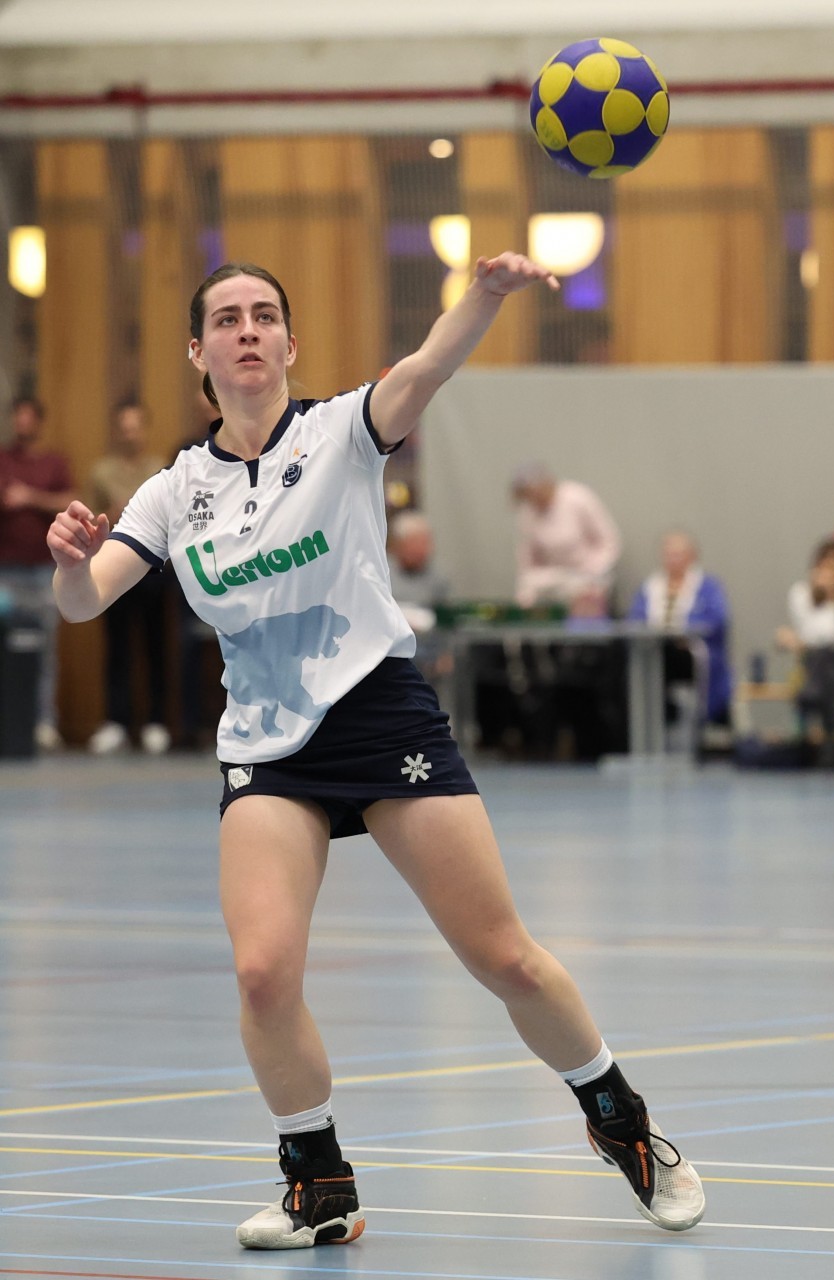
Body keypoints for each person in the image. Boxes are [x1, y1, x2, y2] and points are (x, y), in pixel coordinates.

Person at [48, 255, 704, 1251]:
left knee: (504, 956)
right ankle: (320, 1186)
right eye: (226, 318)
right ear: (198, 352)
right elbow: (86, 598)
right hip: (267, 746)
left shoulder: (341, 430)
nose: (248, 330)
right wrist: (66, 565)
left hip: (380, 715)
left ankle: (622, 1121)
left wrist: (484, 294)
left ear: (290, 343)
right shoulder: (173, 492)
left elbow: (427, 365)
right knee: (262, 973)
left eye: (265, 314)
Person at [87, 400, 171, 754]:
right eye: (124, 427)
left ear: (144, 430)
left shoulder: (159, 469)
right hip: (113, 567)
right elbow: (89, 518)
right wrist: (113, 511)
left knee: (156, 646)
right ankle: (116, 722)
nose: (130, 434)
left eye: (136, 427)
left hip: (154, 570)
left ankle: (156, 722)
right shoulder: (102, 471)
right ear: (117, 431)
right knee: (117, 648)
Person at [0, 395, 75, 750]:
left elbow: (69, 501)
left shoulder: (53, 463)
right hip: (6, 571)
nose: (22, 423)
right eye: (18, 417)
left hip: (45, 571)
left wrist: (29, 497)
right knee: (5, 647)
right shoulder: (3, 459)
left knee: (44, 649)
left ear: (39, 422)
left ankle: (44, 722)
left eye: (28, 417)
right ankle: (9, 722)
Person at [628, 529, 732, 748]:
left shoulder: (707, 586)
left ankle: (683, 729)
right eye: (668, 554)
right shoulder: (651, 586)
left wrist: (685, 630)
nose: (673, 559)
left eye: (678, 554)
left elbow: (717, 620)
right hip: (652, 652)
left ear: (692, 556)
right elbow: (635, 618)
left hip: (689, 653)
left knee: (674, 659)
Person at [776, 537, 834, 766]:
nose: (830, 574)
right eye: (825, 567)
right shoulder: (801, 594)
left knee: (830, 660)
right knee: (827, 662)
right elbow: (810, 632)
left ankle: (811, 698)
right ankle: (830, 740)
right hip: (822, 666)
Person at [511, 462, 621, 618]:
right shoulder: (528, 513)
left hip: (589, 575)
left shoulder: (577, 497)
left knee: (586, 596)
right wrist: (527, 590)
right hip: (556, 579)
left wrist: (593, 571)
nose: (533, 499)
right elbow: (528, 560)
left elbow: (610, 542)